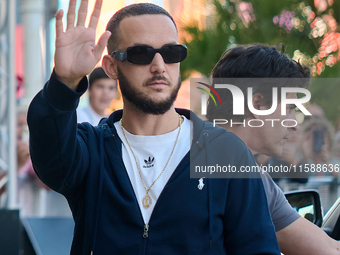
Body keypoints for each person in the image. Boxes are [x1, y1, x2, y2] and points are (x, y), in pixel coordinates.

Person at [27, 1, 280, 254]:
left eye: (171, 53)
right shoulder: (91, 149)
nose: (159, 65)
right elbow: (51, 160)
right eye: (141, 53)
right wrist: (65, 82)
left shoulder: (225, 152)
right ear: (111, 66)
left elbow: (257, 247)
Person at [206, 44, 340, 255]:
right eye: (289, 109)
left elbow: (328, 248)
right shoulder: (189, 165)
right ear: (258, 104)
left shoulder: (255, 178)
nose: (294, 123)